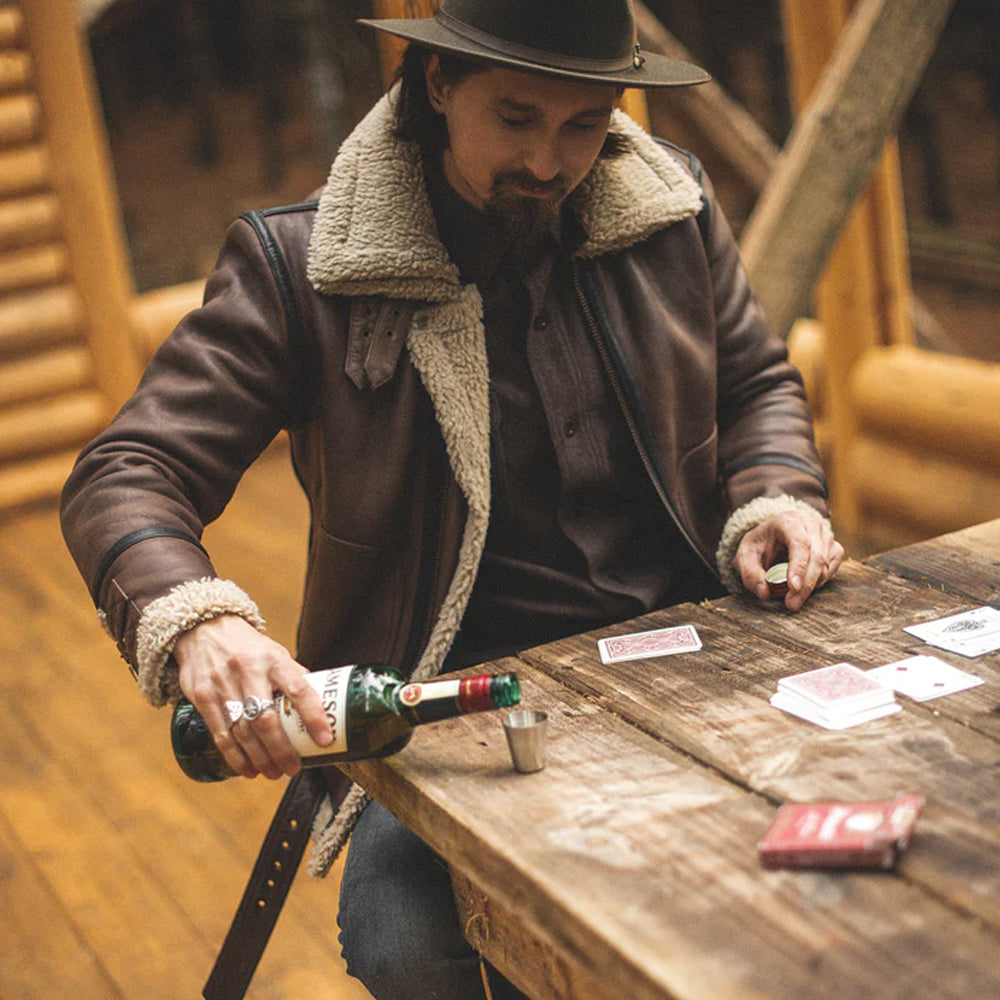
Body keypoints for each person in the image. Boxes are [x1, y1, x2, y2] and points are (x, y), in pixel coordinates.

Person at [61, 1, 845, 997]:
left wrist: (774, 495)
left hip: (690, 648)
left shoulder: (672, 205)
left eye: (584, 124)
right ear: (438, 86)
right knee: (402, 943)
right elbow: (126, 468)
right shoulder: (297, 268)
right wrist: (199, 624)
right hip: (439, 695)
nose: (551, 162)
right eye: (516, 119)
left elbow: (754, 382)